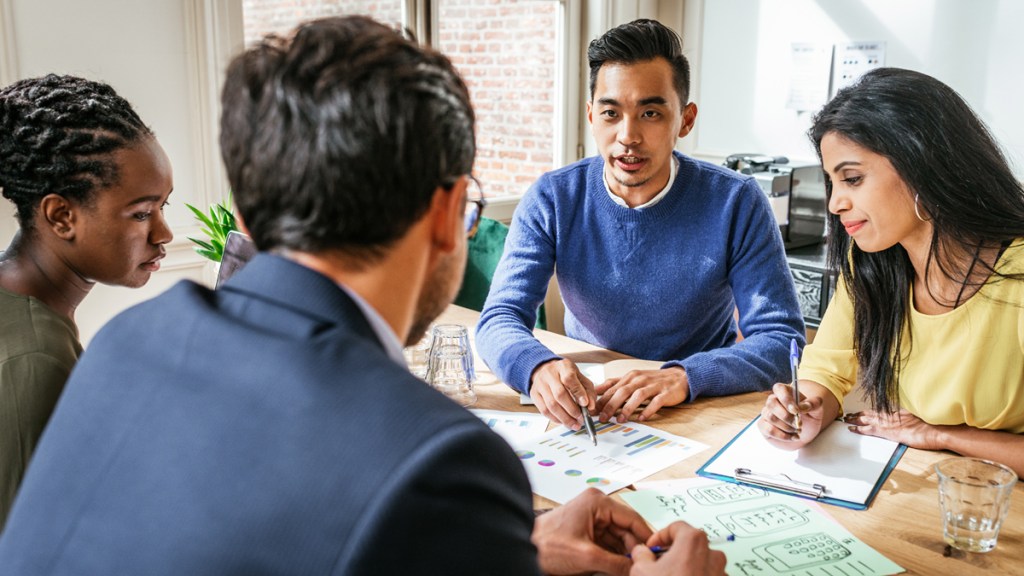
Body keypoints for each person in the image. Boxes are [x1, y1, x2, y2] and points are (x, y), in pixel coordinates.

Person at [0, 17, 725, 576]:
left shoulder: (129, 343)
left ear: (249, 215)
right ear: (447, 216)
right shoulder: (439, 461)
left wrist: (511, 552)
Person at [476, 18, 804, 430]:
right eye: (612, 113)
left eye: (650, 112)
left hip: (700, 401)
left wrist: (685, 376)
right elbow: (499, 317)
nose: (628, 135)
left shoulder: (736, 201)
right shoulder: (552, 197)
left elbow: (781, 339)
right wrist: (536, 365)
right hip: (592, 402)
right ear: (592, 116)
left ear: (685, 120)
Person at [758, 67, 1024, 477]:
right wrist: (805, 409)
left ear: (922, 164)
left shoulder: (1018, 274)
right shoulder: (869, 263)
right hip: (919, 485)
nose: (835, 204)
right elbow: (826, 369)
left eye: (853, 178)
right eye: (834, 183)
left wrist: (941, 435)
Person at [0, 74, 173, 529]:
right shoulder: (36, 357)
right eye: (141, 213)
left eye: (163, 207)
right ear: (61, 216)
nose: (164, 235)